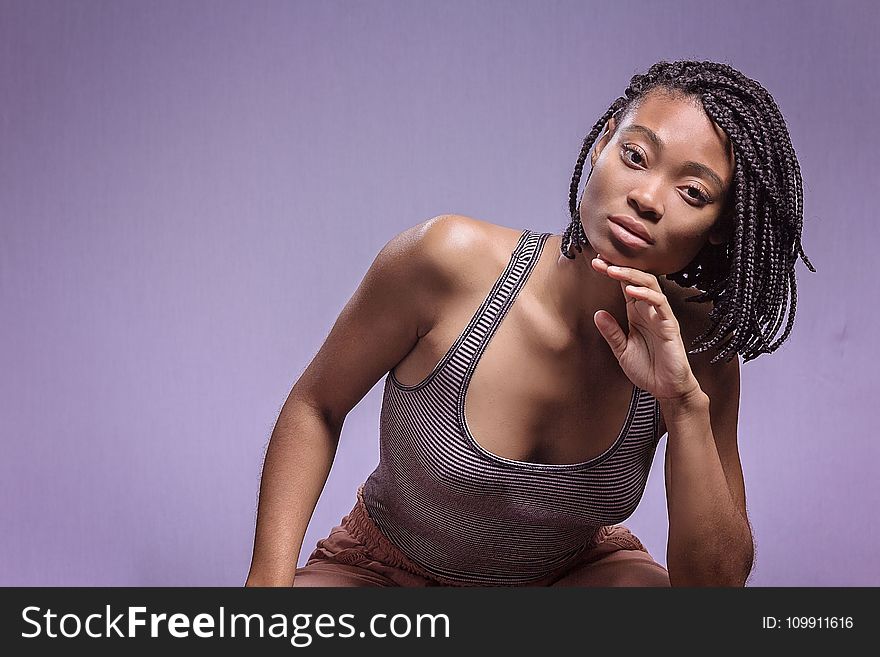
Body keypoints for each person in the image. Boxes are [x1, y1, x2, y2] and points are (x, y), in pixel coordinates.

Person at [244, 59, 815, 588]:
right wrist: (265, 589)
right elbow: (315, 406)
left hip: (571, 580)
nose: (645, 197)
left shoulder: (698, 345)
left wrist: (683, 403)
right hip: (389, 571)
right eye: (636, 156)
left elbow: (713, 597)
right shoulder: (447, 260)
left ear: (720, 226)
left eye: (692, 192)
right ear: (601, 144)